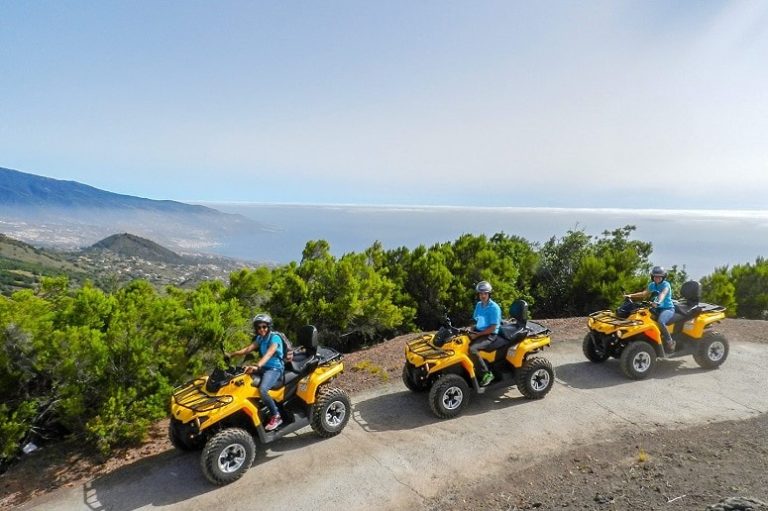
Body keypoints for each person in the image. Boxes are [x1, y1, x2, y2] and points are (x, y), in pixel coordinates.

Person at [228, 313, 285, 431]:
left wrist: (257, 366)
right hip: (264, 367)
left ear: (269, 326)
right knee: (243, 377)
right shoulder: (260, 338)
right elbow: (248, 349)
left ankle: (276, 416)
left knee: (263, 390)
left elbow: (270, 353)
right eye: (259, 327)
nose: (261, 329)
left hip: (274, 369)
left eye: (264, 326)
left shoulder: (275, 338)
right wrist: (232, 354)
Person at [625, 266, 676, 353]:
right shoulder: (652, 285)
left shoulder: (666, 285)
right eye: (655, 276)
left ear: (663, 277)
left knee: (661, 322)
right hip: (656, 309)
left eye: (659, 277)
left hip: (667, 309)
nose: (657, 278)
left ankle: (670, 342)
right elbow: (643, 294)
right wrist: (630, 295)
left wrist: (658, 302)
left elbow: (663, 294)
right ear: (652, 277)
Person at [467, 281, 503, 386]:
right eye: (481, 293)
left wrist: (477, 335)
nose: (483, 295)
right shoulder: (479, 305)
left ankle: (486, 374)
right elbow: (477, 320)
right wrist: (471, 328)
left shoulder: (494, 308)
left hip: (490, 335)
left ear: (489, 294)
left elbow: (492, 328)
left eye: (485, 293)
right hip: (479, 331)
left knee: (472, 349)